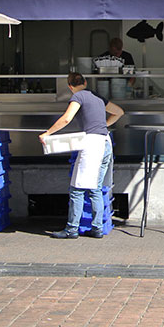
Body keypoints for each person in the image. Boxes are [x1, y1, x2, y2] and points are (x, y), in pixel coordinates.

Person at [39, 72, 124, 239]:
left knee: (77, 189)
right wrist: (104, 125)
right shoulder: (97, 96)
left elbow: (66, 119)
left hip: (92, 145)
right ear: (85, 82)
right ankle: (97, 228)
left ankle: (71, 229)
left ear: (70, 86)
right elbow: (119, 112)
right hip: (105, 143)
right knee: (96, 189)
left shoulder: (78, 97)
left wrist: (47, 133)